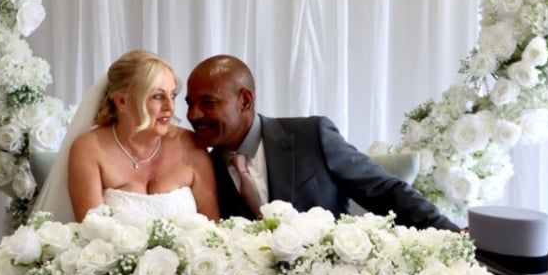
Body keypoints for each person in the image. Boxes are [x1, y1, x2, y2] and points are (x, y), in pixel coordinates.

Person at [184, 54, 460, 231]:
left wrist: (452, 237)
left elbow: (385, 191)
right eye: (189, 104)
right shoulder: (201, 168)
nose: (193, 115)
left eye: (207, 103)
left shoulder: (311, 135)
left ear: (245, 100)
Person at [31, 50, 220, 223]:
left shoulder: (191, 144)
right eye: (158, 96)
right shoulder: (89, 149)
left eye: (173, 95)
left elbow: (213, 230)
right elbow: (90, 231)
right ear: (122, 101)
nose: (170, 107)